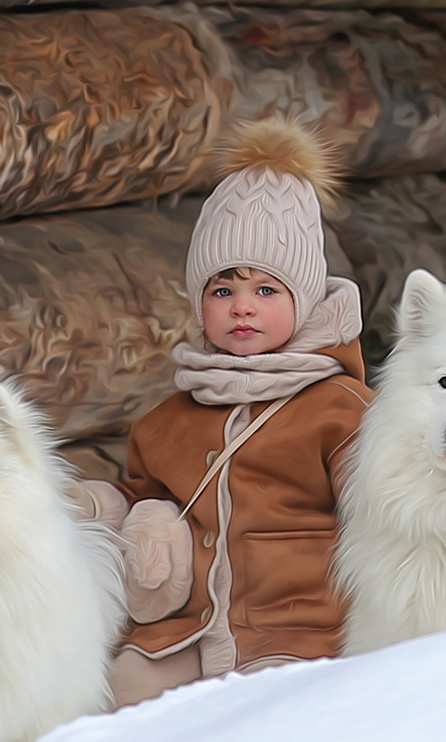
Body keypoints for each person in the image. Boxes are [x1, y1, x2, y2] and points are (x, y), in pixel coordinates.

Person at [97, 117, 371, 706]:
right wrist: (107, 506)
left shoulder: (340, 410)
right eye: (223, 291)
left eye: (266, 291)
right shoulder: (168, 418)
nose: (242, 307)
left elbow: (382, 512)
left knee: (264, 720)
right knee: (122, 691)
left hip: (299, 631)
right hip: (187, 630)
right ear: (200, 303)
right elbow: (148, 494)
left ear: (306, 300)